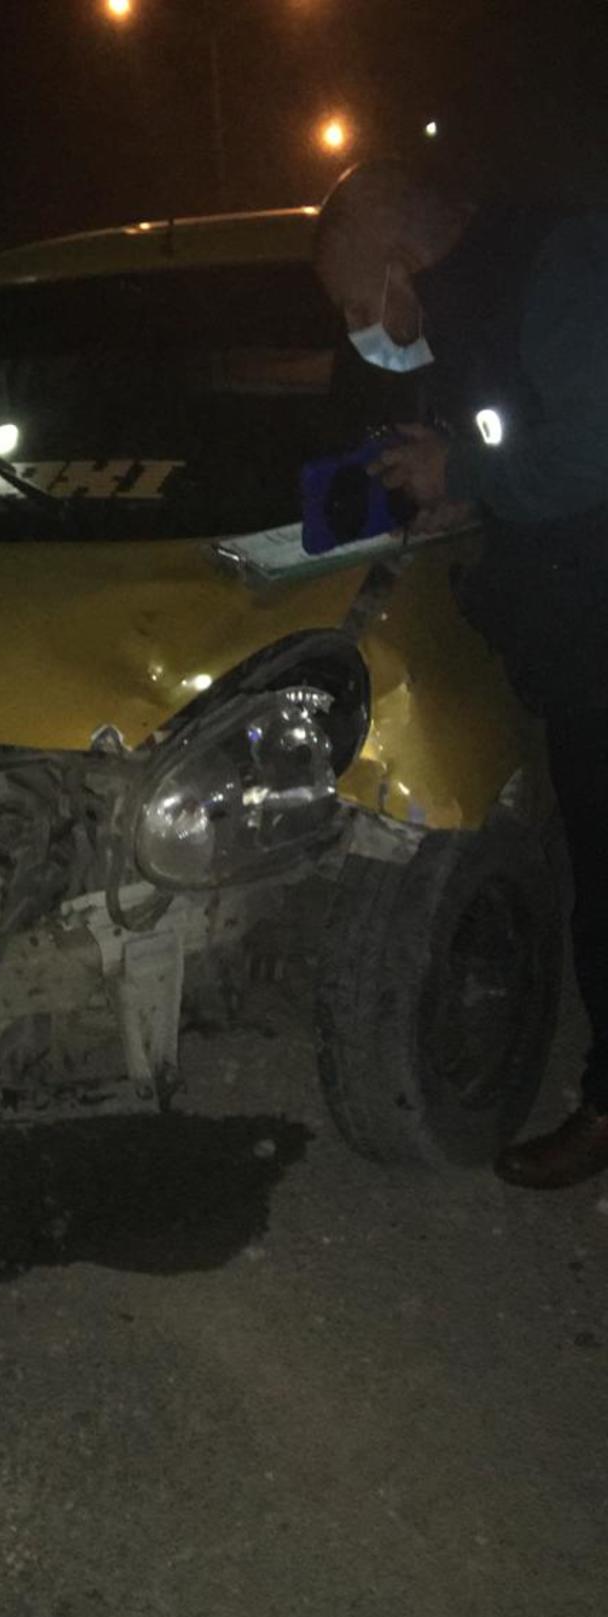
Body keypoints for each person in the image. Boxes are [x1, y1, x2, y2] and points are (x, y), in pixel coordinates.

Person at [314, 158, 608, 1189]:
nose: (362, 328)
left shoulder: (556, 266)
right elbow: (530, 443)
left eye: (356, 303)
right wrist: (467, 489)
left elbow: (595, 445)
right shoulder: (481, 309)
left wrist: (468, 471)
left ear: (398, 263)